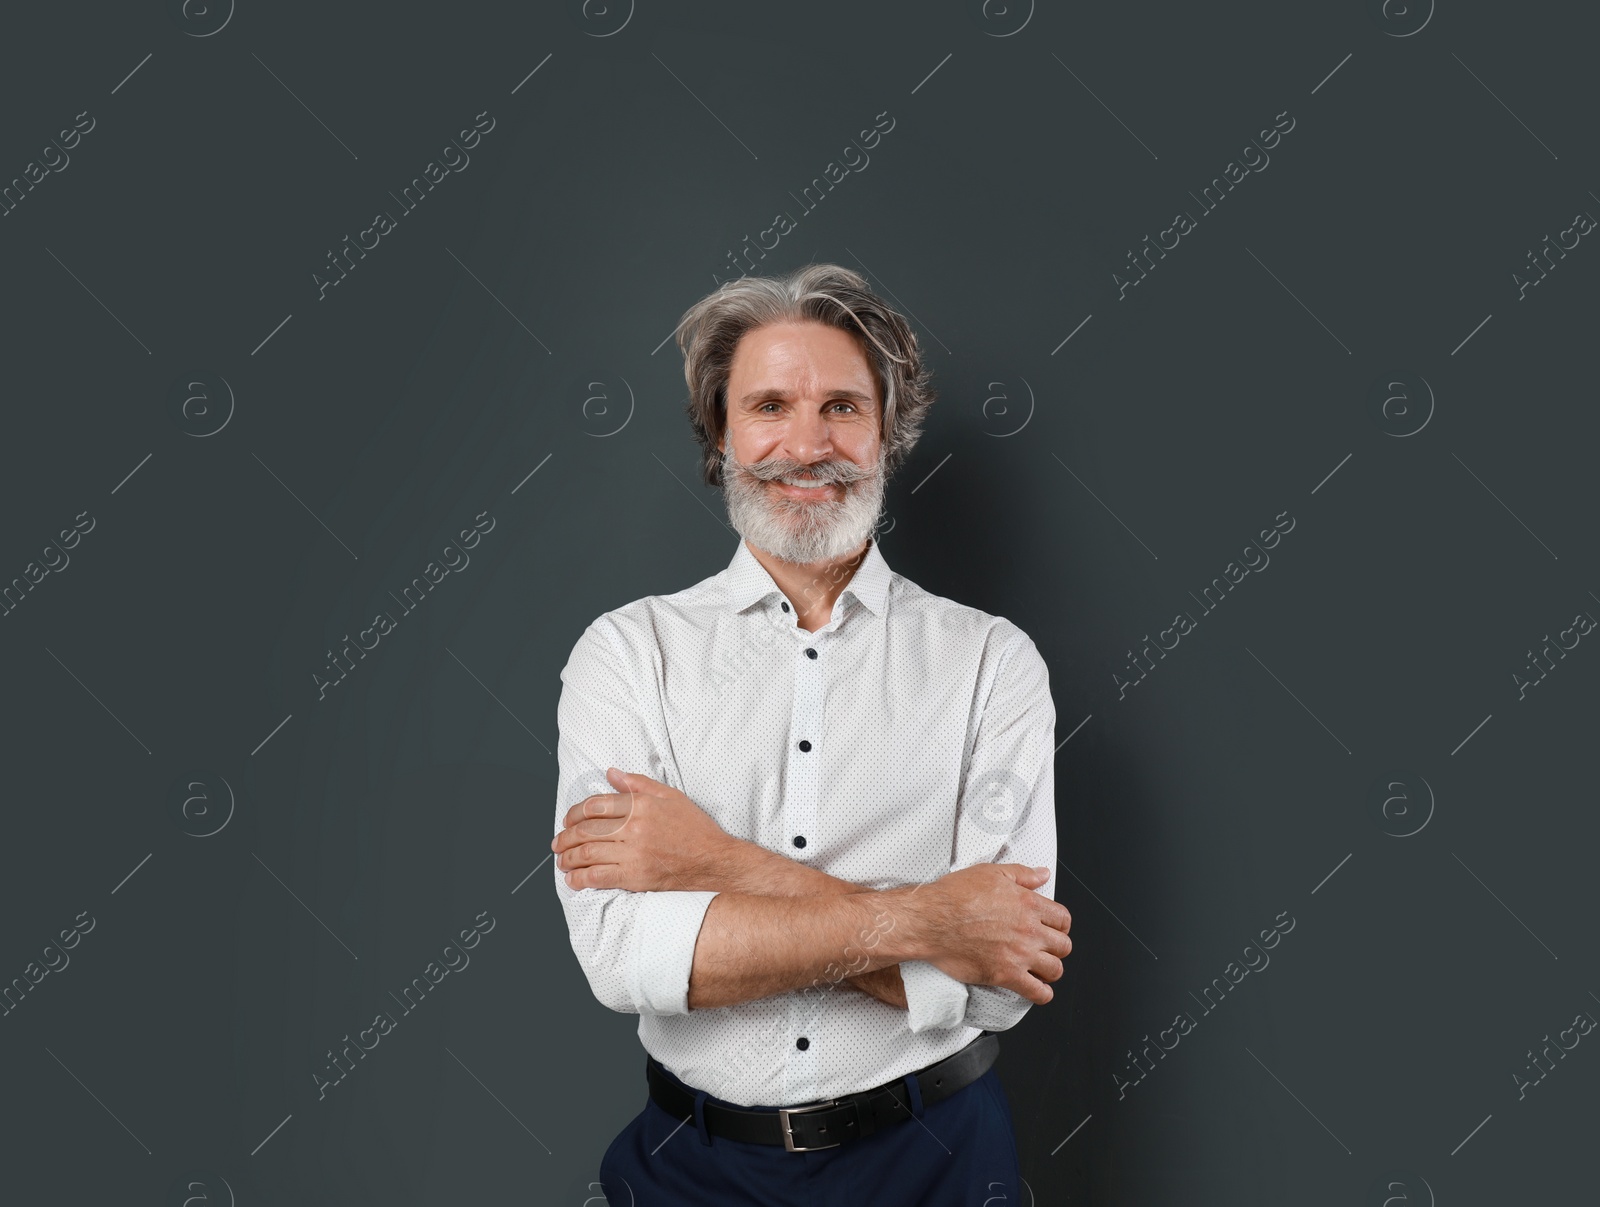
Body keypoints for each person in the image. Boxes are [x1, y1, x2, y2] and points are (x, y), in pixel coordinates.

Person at [550, 263, 1071, 1205]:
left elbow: (995, 983)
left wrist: (714, 863)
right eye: (770, 406)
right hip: (688, 1170)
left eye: (840, 406)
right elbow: (626, 958)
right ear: (721, 432)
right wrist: (932, 924)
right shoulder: (628, 655)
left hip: (938, 1161)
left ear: (886, 433)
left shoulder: (994, 663)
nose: (806, 443)